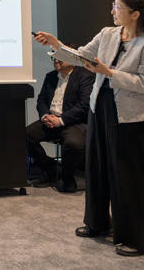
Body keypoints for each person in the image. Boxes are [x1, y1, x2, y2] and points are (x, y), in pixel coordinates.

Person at [33, 0, 144, 257]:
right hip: (99, 109)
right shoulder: (107, 34)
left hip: (130, 116)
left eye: (117, 7)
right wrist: (56, 44)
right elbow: (79, 56)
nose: (112, 11)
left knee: (128, 176)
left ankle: (138, 239)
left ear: (135, 13)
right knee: (97, 168)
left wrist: (109, 72)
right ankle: (98, 224)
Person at [27, 48, 94, 192]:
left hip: (73, 122)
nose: (56, 60)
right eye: (54, 57)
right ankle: (51, 168)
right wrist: (45, 116)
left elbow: (84, 106)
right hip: (50, 120)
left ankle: (67, 178)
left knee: (74, 143)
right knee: (25, 135)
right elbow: (41, 100)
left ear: (73, 58)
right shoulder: (51, 76)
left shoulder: (85, 76)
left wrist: (61, 120)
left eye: (60, 57)